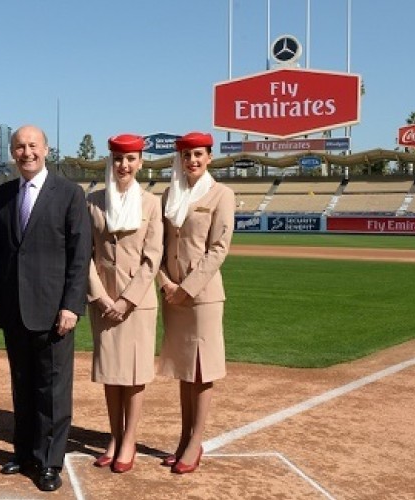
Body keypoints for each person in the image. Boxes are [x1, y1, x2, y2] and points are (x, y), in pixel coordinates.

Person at [0, 125, 91, 492]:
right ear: (13, 152)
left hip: (54, 311)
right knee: (22, 385)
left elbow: (80, 255)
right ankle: (24, 453)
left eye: (33, 145)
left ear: (46, 150)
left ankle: (49, 461)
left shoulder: (69, 194)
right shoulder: (2, 195)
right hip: (14, 308)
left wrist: (71, 305)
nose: (26, 152)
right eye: (19, 147)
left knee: (52, 389)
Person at [157, 131, 235, 474]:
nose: (192, 160)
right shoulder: (169, 194)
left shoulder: (221, 194)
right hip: (171, 294)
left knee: (201, 370)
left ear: (209, 157)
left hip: (202, 297)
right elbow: (158, 245)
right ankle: (183, 437)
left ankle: (195, 441)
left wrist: (187, 288)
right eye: (187, 155)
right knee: (184, 369)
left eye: (198, 154)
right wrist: (165, 283)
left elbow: (218, 249)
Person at [85, 134, 163, 473]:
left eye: (130, 159)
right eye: (118, 158)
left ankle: (129, 440)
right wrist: (101, 297)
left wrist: (127, 300)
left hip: (137, 304)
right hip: (103, 301)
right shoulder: (93, 201)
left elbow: (153, 258)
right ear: (111, 161)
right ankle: (114, 437)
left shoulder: (152, 204)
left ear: (140, 162)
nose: (124, 165)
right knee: (111, 373)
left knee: (133, 374)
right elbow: (84, 255)